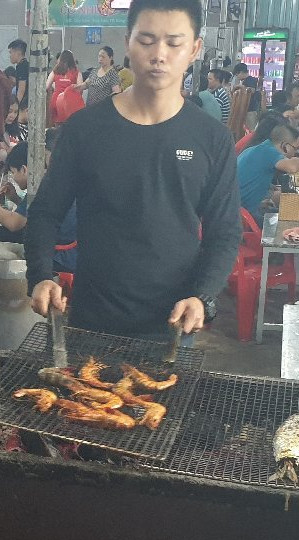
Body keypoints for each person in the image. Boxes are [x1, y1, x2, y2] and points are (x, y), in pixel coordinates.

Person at [26, 0, 241, 339]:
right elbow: (45, 212)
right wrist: (40, 274)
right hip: (90, 317)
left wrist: (202, 295)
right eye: (146, 40)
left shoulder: (211, 138)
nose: (159, 54)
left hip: (172, 322)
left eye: (174, 42)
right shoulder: (85, 128)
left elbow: (225, 232)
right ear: (127, 42)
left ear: (195, 48)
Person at [0, 139, 77, 273]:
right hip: (72, 252)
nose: (13, 177)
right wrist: (16, 199)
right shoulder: (52, 180)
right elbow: (37, 212)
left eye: (13, 173)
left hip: (58, 256)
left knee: (2, 234)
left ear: (24, 169)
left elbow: (14, 223)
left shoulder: (38, 187)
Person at [237, 123, 299, 225]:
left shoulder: (259, 149)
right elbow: (293, 167)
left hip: (242, 208)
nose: (294, 154)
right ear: (285, 145)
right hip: (245, 216)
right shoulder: (269, 151)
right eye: (295, 149)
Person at [47, 50, 85, 124]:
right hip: (68, 103)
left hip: (55, 101)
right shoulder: (77, 72)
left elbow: (47, 86)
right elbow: (80, 90)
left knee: (57, 127)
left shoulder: (55, 71)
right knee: (68, 126)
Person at [8, 39, 30, 119]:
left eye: (11, 52)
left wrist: (16, 107)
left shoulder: (22, 66)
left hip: (24, 106)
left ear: (18, 52)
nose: (10, 55)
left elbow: (21, 89)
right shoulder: (25, 64)